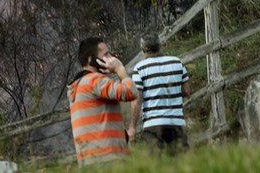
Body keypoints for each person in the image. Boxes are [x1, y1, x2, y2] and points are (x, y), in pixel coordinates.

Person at [67, 37, 138, 167]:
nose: (111, 58)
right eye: (106, 54)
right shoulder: (95, 81)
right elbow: (131, 92)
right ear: (90, 59)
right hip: (109, 158)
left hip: (90, 160)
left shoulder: (79, 85)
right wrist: (120, 70)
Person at [130, 34, 191, 152]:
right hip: (176, 123)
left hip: (153, 125)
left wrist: (132, 126)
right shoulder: (177, 62)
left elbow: (137, 101)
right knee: (181, 160)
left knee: (158, 161)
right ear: (160, 46)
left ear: (142, 49)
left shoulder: (139, 68)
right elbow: (187, 91)